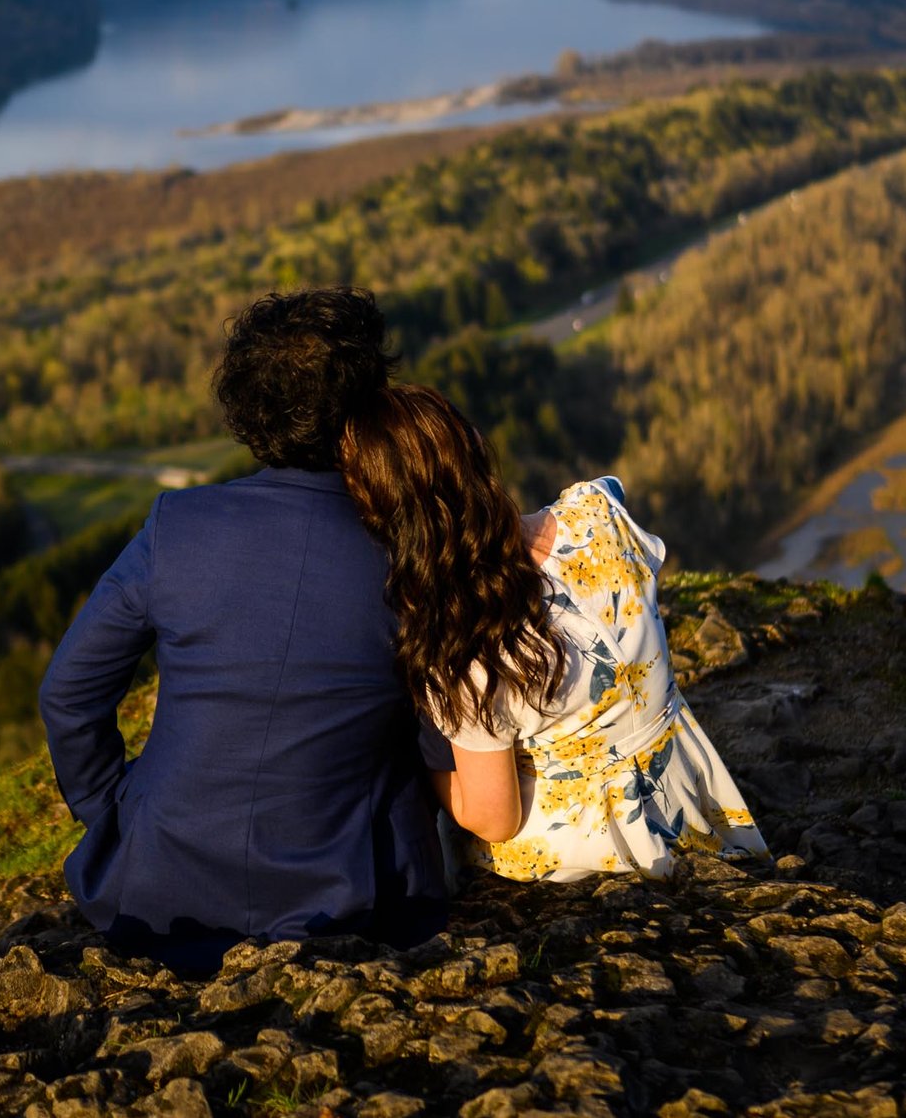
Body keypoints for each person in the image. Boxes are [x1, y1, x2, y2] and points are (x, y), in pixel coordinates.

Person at [38, 289, 451, 971]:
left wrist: (111, 808)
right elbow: (443, 748)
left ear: (247, 411)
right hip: (359, 900)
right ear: (367, 411)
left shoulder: (178, 525)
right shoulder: (410, 554)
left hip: (156, 892)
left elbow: (69, 692)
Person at [339, 383, 767, 881]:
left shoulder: (468, 641)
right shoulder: (599, 514)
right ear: (476, 448)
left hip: (584, 857)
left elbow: (495, 817)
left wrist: (422, 768)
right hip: (690, 800)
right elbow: (609, 496)